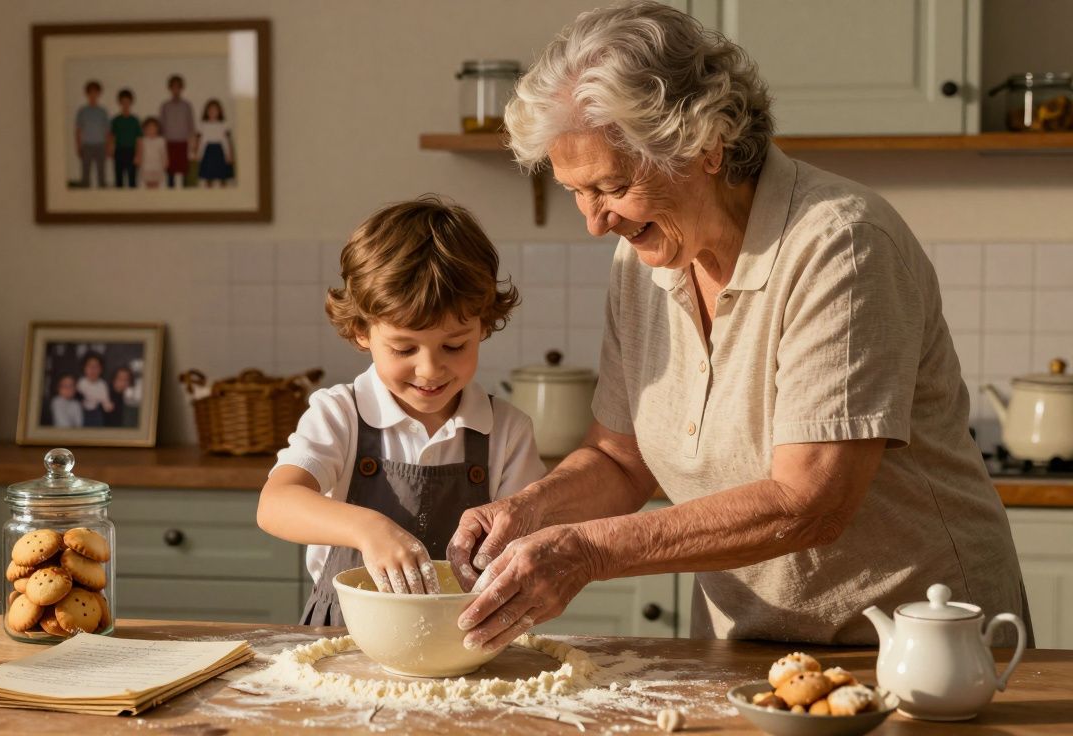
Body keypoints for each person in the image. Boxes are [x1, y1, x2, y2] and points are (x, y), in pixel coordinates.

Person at [448, 1, 1030, 652]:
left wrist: (586, 550)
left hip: (917, 654)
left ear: (704, 145)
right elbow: (621, 457)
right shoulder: (642, 260)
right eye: (575, 191)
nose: (594, 220)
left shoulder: (840, 243)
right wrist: (524, 513)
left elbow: (811, 500)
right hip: (745, 651)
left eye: (611, 186)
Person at [257, 196, 546, 626]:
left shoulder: (506, 431)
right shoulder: (340, 414)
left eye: (454, 345)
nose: (430, 369)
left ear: (484, 325)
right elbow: (276, 503)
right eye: (404, 348)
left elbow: (532, 542)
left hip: (464, 634)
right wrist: (367, 528)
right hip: (343, 636)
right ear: (361, 332)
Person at [159, 74, 195, 188]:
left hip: (183, 142)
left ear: (181, 88)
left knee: (184, 170)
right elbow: (161, 124)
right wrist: (161, 142)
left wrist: (193, 142)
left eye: (178, 87)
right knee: (170, 171)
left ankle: (185, 196)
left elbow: (191, 125)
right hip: (169, 142)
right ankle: (171, 195)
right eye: (173, 87)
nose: (175, 89)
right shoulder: (165, 105)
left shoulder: (187, 105)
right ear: (169, 88)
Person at [74, 80, 109, 188]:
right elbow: (78, 130)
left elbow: (107, 130)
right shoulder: (82, 111)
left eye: (96, 92)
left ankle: (103, 196)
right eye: (91, 92)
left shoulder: (102, 111)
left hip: (100, 145)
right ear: (87, 94)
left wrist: (108, 146)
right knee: (85, 173)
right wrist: (78, 145)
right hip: (87, 145)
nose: (93, 95)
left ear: (99, 94)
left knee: (101, 174)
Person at [195, 98, 234, 187]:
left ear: (219, 111)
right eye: (210, 110)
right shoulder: (203, 125)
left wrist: (229, 154)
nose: (213, 112)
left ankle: (224, 194)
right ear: (206, 111)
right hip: (208, 151)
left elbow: (226, 141)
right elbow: (202, 141)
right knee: (208, 177)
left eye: (215, 110)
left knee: (223, 176)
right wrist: (198, 154)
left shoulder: (223, 124)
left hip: (220, 151)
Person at [109, 88, 142, 188]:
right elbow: (112, 137)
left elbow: (139, 139)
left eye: (127, 102)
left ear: (131, 102)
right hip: (119, 151)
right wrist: (111, 150)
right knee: (119, 179)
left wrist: (138, 155)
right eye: (123, 102)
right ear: (119, 102)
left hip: (131, 151)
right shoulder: (116, 120)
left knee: (132, 179)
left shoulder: (135, 120)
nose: (125, 104)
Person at [77, 352, 113, 428]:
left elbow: (105, 402)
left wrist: (109, 406)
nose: (93, 370)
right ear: (84, 368)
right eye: (89, 366)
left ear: (101, 370)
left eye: (96, 367)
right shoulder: (81, 383)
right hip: (82, 412)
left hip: (96, 412)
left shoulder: (102, 384)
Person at [136, 117, 167, 189]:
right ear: (144, 130)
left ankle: (156, 199)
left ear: (157, 129)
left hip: (157, 166)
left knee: (157, 184)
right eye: (148, 128)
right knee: (147, 184)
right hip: (146, 166)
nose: (151, 130)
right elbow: (139, 152)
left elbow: (164, 153)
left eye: (153, 128)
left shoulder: (161, 140)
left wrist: (165, 162)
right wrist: (138, 159)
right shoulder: (142, 140)